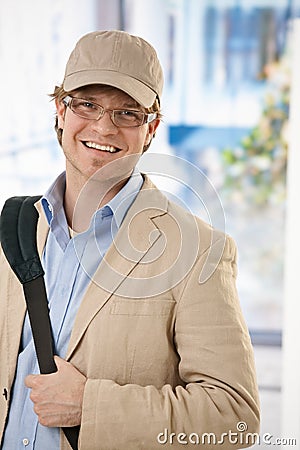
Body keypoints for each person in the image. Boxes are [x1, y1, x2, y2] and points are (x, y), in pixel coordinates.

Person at [0, 30, 260, 449]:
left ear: (151, 128)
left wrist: (90, 406)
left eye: (128, 113)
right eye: (87, 104)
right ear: (60, 110)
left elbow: (234, 418)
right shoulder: (12, 230)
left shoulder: (197, 251)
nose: (104, 126)